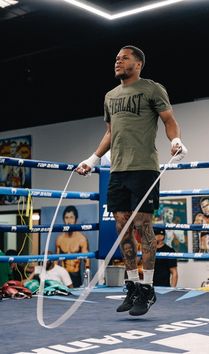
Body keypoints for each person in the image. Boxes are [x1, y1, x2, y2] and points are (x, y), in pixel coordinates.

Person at [76, 45, 187, 316]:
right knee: (122, 229)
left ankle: (147, 290)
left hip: (144, 168)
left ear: (138, 64)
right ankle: (133, 286)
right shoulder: (110, 96)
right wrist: (92, 159)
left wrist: (175, 140)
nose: (118, 61)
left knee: (143, 226)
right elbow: (110, 133)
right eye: (116, 58)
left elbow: (169, 119)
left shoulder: (152, 88)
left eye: (124, 58)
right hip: (117, 170)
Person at [56, 205, 90, 287]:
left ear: (76, 219)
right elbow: (56, 261)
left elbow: (87, 262)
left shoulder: (81, 239)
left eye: (71, 217)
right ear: (64, 220)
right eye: (66, 217)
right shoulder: (59, 239)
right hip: (63, 276)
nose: (69, 220)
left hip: (76, 276)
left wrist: (86, 282)